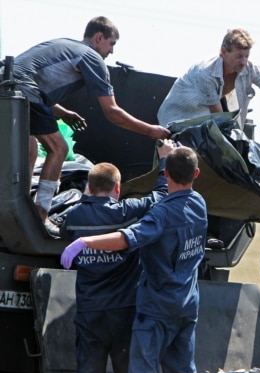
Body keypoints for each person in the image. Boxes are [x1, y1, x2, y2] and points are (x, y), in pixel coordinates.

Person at [61, 146, 207, 373]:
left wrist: (86, 241)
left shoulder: (74, 217)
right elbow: (159, 194)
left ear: (90, 187)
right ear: (196, 173)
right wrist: (163, 161)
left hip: (123, 310)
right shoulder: (197, 204)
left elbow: (124, 239)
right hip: (176, 304)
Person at [12, 16, 170, 232]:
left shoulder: (65, 45)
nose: (111, 52)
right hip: (24, 91)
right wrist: (150, 130)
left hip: (9, 89)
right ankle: (39, 216)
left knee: (27, 153)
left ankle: (18, 212)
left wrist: (63, 112)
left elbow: (38, 81)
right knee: (59, 148)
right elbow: (112, 112)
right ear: (99, 38)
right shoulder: (91, 57)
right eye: (111, 44)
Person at [157, 28, 260, 135]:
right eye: (239, 56)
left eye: (246, 56)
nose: (243, 62)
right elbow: (221, 119)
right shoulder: (205, 73)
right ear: (223, 52)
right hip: (177, 121)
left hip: (205, 123)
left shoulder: (250, 69)